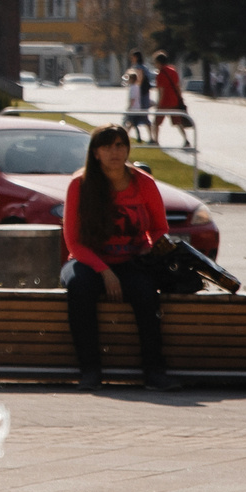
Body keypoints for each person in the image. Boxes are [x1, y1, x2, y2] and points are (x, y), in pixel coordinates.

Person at [62, 124, 175, 390]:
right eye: (106, 146)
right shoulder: (79, 185)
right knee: (79, 289)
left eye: (120, 145)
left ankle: (154, 373)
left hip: (131, 260)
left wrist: (149, 246)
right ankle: (90, 371)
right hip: (87, 261)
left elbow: (160, 228)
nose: (114, 151)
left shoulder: (144, 183)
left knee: (147, 294)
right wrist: (104, 271)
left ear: (127, 149)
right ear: (95, 152)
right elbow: (73, 241)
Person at [151, 49, 193, 148]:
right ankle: (186, 140)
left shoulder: (160, 74)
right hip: (174, 101)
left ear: (159, 62)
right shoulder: (173, 71)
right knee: (178, 122)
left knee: (156, 123)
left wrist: (158, 104)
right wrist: (180, 98)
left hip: (164, 103)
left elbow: (161, 91)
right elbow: (178, 86)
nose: (155, 65)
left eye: (155, 63)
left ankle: (156, 141)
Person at [121, 50, 150, 143]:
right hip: (140, 97)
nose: (131, 59)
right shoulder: (142, 68)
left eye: (132, 57)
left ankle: (126, 137)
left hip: (140, 98)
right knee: (134, 121)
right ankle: (127, 136)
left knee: (140, 119)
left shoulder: (138, 68)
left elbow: (139, 80)